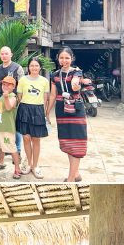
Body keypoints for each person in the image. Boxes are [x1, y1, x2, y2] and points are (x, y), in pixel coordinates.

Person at [48, 47, 87, 182]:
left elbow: (76, 83)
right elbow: (53, 95)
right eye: (62, 58)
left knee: (77, 142)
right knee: (68, 143)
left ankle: (70, 178)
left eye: (67, 58)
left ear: (72, 59)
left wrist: (76, 86)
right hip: (61, 110)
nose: (64, 60)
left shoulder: (77, 72)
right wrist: (47, 112)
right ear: (58, 59)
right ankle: (75, 174)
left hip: (76, 110)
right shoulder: (54, 75)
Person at [16, 58, 50, 179]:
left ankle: (35, 166)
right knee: (26, 138)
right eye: (32, 65)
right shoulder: (23, 80)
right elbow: (19, 96)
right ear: (28, 67)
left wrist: (46, 113)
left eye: (36, 65)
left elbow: (46, 98)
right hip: (24, 109)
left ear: (40, 67)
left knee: (36, 139)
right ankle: (28, 164)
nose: (34, 68)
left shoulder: (45, 81)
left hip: (38, 110)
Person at [0, 46, 25, 154]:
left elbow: (22, 85)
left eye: (6, 53)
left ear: (11, 54)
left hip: (13, 99)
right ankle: (3, 148)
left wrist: (19, 100)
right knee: (2, 123)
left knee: (14, 124)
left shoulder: (17, 67)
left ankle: (18, 149)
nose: (4, 56)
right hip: (1, 99)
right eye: (2, 54)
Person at [0, 76, 22, 178]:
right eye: (3, 84)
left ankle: (17, 169)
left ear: (13, 87)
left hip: (7, 128)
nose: (5, 86)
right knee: (0, 146)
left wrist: (5, 97)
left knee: (12, 148)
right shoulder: (2, 96)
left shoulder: (12, 97)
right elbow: (0, 109)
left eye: (8, 84)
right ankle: (1, 162)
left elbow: (9, 107)